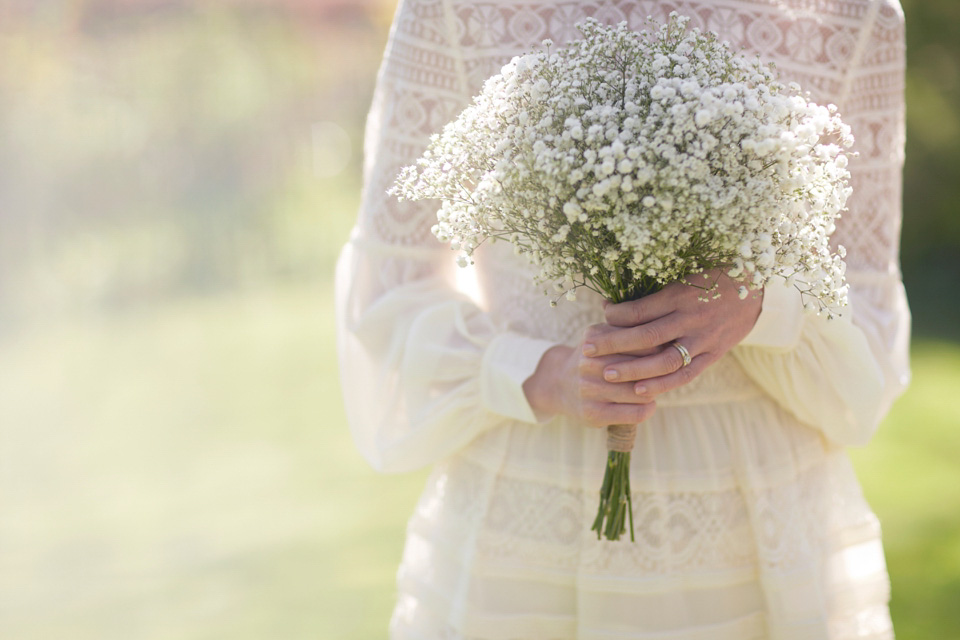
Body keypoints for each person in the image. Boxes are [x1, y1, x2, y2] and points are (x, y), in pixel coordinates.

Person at [335, 0, 910, 638]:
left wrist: (759, 304)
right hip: (527, 518)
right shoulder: (455, 10)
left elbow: (870, 337)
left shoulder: (850, 18)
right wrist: (538, 374)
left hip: (761, 537)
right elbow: (387, 291)